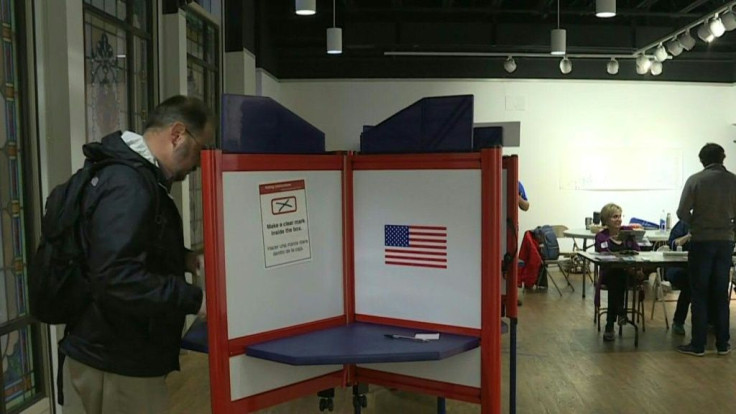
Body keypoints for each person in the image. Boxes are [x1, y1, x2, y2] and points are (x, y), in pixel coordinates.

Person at [59, 95, 215, 413]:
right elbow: (117, 276)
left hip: (109, 353)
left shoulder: (129, 175)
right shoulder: (129, 185)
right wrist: (196, 300)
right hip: (116, 364)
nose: (200, 163)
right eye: (201, 149)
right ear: (177, 134)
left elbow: (129, 249)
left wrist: (184, 258)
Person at [675, 143, 736, 357]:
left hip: (701, 241)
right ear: (723, 158)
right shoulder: (734, 180)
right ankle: (723, 344)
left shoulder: (696, 180)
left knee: (699, 292)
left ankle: (698, 344)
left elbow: (682, 211)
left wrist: (696, 223)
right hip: (726, 242)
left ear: (702, 160)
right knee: (720, 293)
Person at [594, 202, 641, 342]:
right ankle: (621, 312)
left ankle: (610, 326)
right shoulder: (602, 236)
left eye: (620, 216)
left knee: (619, 278)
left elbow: (637, 251)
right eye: (615, 217)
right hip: (609, 275)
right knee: (616, 276)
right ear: (606, 220)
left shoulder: (628, 232)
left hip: (629, 274)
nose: (619, 219)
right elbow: (602, 254)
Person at [665, 220, 692, 335]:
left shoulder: (710, 224)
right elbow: (672, 244)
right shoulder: (684, 224)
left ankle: (711, 320)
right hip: (677, 267)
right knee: (690, 283)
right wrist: (689, 236)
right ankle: (678, 321)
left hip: (696, 267)